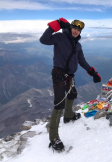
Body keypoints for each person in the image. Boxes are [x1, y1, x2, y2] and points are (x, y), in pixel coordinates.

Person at [40, 18, 101, 151]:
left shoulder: (78, 45)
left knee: (72, 94)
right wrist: (54, 25)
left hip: (69, 76)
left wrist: (93, 73)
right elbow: (43, 40)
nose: (76, 31)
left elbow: (82, 61)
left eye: (79, 30)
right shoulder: (59, 37)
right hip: (58, 74)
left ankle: (68, 116)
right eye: (75, 28)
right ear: (70, 27)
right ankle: (53, 137)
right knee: (59, 104)